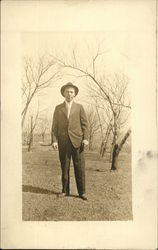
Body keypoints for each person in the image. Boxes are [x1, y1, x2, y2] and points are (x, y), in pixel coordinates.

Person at [51, 82, 89, 200]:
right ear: (63, 93)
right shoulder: (58, 108)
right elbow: (54, 127)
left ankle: (82, 192)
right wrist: (54, 141)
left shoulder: (79, 107)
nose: (69, 94)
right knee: (65, 167)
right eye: (67, 91)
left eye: (71, 92)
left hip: (78, 142)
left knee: (79, 168)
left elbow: (85, 125)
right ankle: (64, 191)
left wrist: (86, 139)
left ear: (75, 94)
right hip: (63, 143)